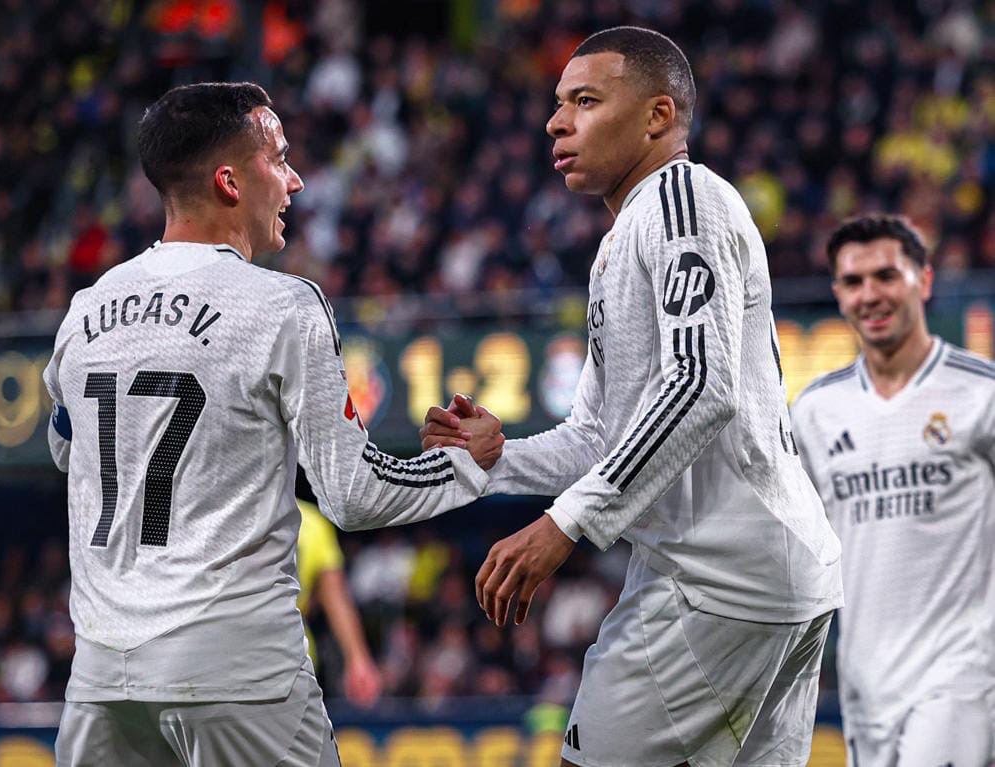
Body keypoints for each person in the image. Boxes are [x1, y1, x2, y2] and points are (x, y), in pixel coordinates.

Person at [43, 82, 502, 767]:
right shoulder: (281, 305)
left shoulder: (87, 307)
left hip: (103, 675)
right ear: (229, 182)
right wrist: (465, 463)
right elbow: (354, 493)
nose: (294, 180)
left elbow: (66, 447)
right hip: (235, 668)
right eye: (279, 159)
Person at [421, 27, 843, 766]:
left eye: (584, 101)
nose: (556, 122)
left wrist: (566, 523)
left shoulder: (679, 198)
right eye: (558, 104)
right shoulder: (628, 234)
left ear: (657, 116)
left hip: (717, 576)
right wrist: (499, 459)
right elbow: (598, 435)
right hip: (758, 570)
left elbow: (699, 385)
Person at [790, 215, 995, 767]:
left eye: (886, 276)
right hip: (864, 684)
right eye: (853, 282)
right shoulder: (815, 412)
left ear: (923, 281)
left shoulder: (981, 393)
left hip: (964, 676)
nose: (870, 295)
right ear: (837, 294)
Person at [295, 498, 382, 708]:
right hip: (293, 656)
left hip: (235, 656)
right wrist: (358, 658)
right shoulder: (310, 521)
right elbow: (336, 599)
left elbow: (336, 597)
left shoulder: (225, 510)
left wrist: (358, 658)